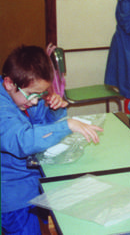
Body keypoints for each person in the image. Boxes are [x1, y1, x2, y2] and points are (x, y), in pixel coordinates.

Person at [1, 45, 103, 235]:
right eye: (31, 94)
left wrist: (55, 110)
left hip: (32, 183)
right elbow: (23, 140)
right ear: (8, 83)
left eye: (40, 94)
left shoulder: (23, 96)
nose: (34, 101)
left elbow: (41, 125)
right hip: (13, 195)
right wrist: (65, 125)